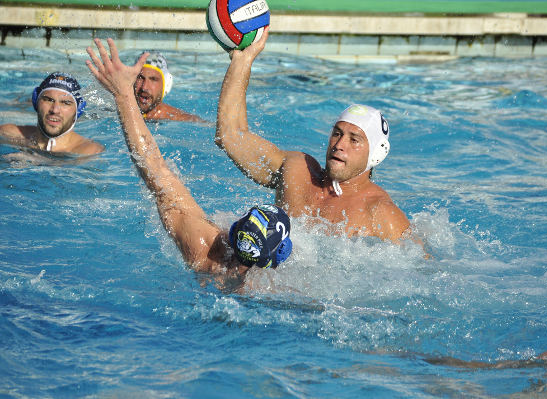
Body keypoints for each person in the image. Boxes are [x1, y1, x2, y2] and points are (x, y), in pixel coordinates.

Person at [86, 38, 291, 279]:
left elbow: (155, 169)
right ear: (276, 260)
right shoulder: (272, 290)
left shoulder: (203, 251)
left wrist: (122, 95)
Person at [216, 28, 410, 243]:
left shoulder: (382, 213)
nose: (339, 144)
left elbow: (423, 268)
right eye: (337, 133)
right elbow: (230, 136)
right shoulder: (297, 170)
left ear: (376, 154)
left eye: (354, 139)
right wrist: (242, 60)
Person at [0, 72, 104, 155]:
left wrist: (35, 159)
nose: (55, 110)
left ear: (78, 110)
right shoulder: (8, 134)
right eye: (48, 100)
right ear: (36, 101)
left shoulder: (90, 151)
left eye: (66, 103)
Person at [135, 52, 203, 122]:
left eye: (153, 79)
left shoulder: (184, 120)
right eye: (140, 77)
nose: (144, 87)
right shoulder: (124, 110)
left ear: (165, 84)